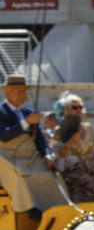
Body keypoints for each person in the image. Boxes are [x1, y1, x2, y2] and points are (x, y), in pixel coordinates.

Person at [0, 74, 65, 217]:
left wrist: (48, 155)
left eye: (22, 91)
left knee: (53, 175)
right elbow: (4, 135)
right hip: (7, 156)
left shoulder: (28, 112)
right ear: (7, 92)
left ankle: (58, 209)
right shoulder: (2, 111)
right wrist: (26, 122)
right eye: (16, 90)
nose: (20, 94)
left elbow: (40, 139)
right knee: (21, 175)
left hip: (29, 155)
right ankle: (31, 209)